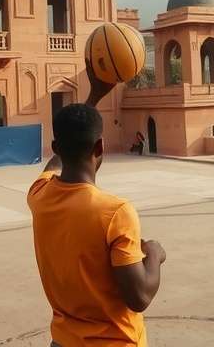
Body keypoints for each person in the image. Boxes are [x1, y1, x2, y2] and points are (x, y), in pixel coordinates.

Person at [28, 66, 165, 347]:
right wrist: (154, 254)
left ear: (55, 147)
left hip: (63, 341)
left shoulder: (39, 195)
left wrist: (92, 98)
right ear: (100, 147)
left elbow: (52, 166)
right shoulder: (115, 212)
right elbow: (139, 297)